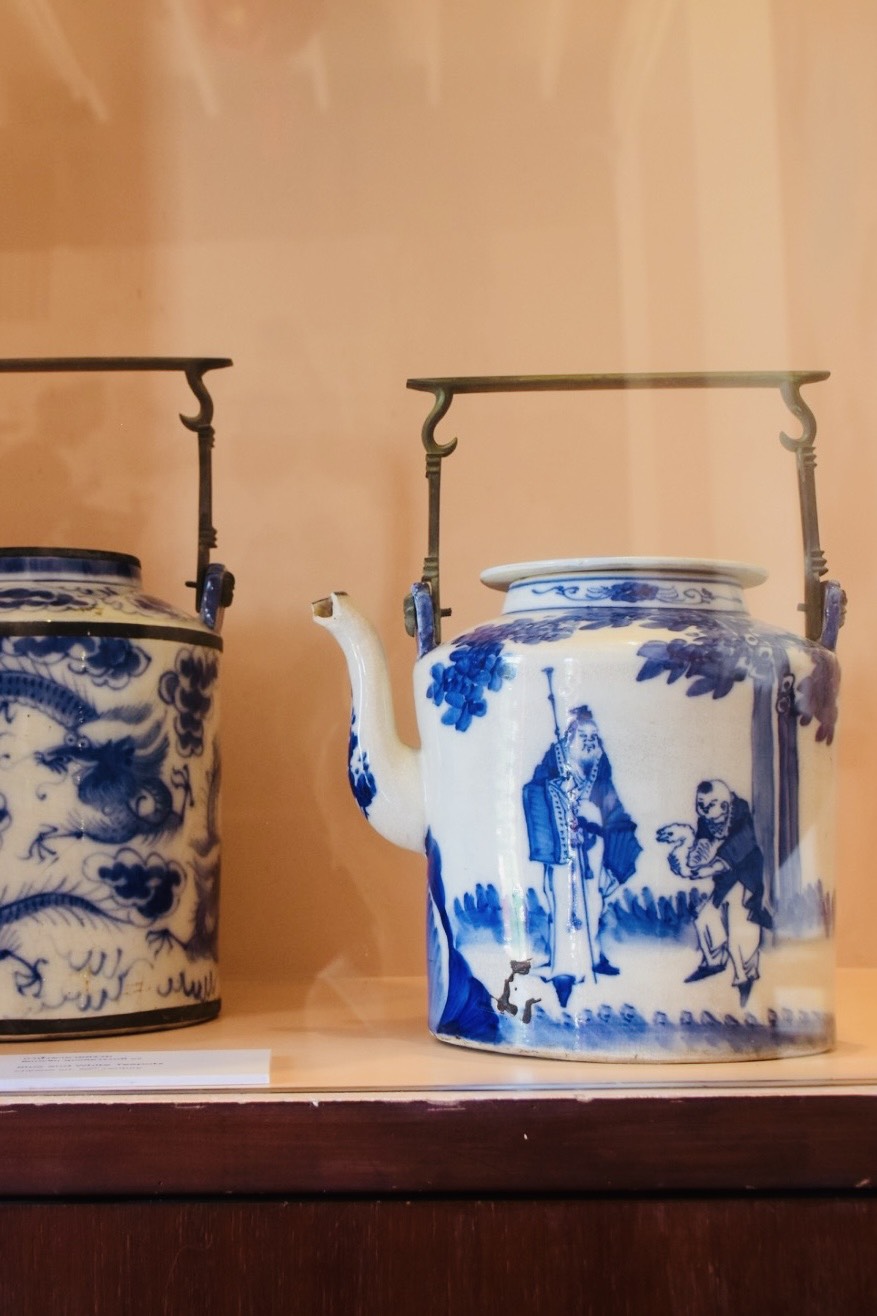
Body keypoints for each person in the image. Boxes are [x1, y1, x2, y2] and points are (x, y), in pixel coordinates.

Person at [522, 706, 641, 1004]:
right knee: (566, 904)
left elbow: (611, 805)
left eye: (593, 736)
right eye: (583, 735)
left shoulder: (599, 767)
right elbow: (534, 793)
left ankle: (593, 955)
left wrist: (617, 855)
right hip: (564, 848)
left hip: (593, 847)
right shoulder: (553, 764)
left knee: (595, 901)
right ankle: (564, 969)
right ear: (570, 737)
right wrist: (556, 789)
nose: (589, 741)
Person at [669, 779, 772, 1008]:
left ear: (724, 806)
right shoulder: (706, 821)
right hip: (724, 880)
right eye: (700, 804)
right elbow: (701, 852)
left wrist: (700, 870)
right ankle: (714, 961)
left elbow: (727, 858)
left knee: (740, 928)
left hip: (746, 878)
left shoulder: (741, 819)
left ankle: (745, 976)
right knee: (704, 918)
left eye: (708, 806)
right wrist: (686, 860)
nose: (703, 811)